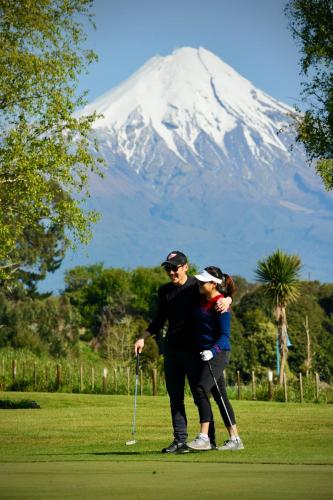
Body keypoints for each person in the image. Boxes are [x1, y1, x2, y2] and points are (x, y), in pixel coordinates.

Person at [134, 251, 232, 453]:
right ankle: (180, 439)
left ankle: (209, 439)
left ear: (185, 267)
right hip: (172, 350)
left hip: (196, 350)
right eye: (168, 268)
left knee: (200, 395)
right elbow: (159, 319)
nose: (171, 272)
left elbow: (218, 290)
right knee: (175, 397)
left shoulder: (196, 286)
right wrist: (142, 337)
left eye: (175, 267)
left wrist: (228, 299)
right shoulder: (164, 291)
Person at [187, 266, 244, 451]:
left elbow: (224, 336)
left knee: (201, 388)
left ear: (214, 284)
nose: (200, 283)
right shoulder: (203, 299)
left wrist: (212, 351)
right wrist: (230, 298)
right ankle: (235, 439)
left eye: (204, 281)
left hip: (218, 354)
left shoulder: (221, 305)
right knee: (220, 396)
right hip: (205, 354)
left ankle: (204, 437)